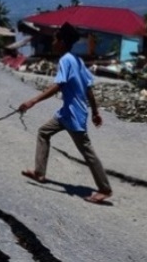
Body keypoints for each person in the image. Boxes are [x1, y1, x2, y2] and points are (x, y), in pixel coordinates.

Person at [18, 23, 112, 204]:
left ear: (61, 42)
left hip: (73, 114)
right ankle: (39, 172)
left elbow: (58, 85)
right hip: (66, 113)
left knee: (87, 152)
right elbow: (88, 87)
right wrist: (95, 111)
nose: (53, 42)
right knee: (44, 132)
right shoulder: (77, 60)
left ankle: (104, 189)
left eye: (55, 39)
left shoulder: (65, 60)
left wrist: (33, 101)